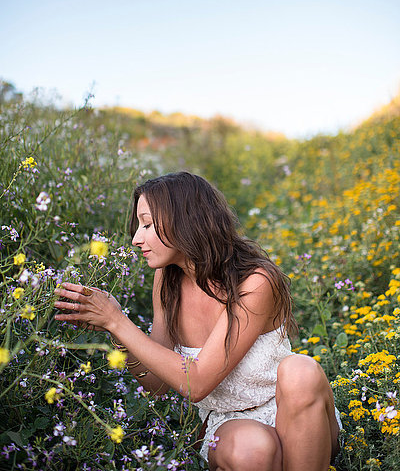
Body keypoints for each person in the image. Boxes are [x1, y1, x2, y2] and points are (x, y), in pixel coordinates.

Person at [54, 172, 341, 471]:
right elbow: (156, 385)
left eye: (148, 224)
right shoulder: (166, 279)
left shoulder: (255, 281)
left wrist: (119, 321)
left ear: (185, 220)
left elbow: (198, 383)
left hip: (296, 414)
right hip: (233, 424)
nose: (136, 238)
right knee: (252, 451)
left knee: (300, 370)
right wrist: (115, 331)